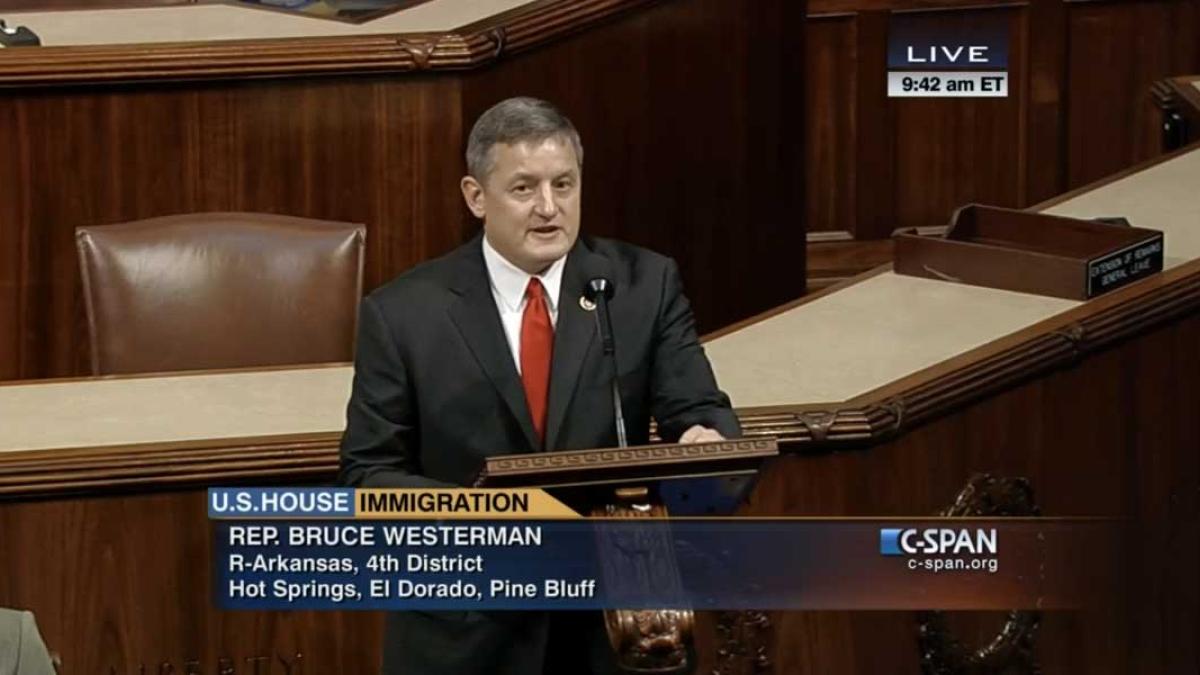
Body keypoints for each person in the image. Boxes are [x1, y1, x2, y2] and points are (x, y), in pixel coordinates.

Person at [340, 96, 739, 674]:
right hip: (468, 635)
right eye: (524, 188)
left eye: (564, 184)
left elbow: (700, 411)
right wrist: (489, 517)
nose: (549, 208)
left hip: (615, 631)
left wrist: (706, 444)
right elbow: (367, 475)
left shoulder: (640, 286)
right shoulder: (403, 314)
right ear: (476, 197)